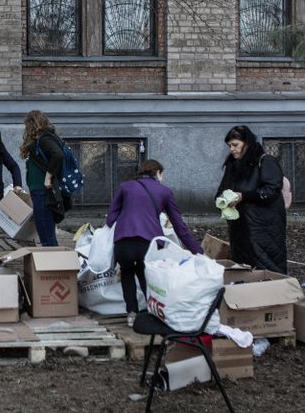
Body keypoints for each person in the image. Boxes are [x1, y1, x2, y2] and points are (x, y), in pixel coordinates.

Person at [105, 159, 203, 327]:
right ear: (158, 173)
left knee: (127, 272)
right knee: (147, 274)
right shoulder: (164, 191)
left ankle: (132, 314)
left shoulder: (125, 187)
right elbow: (179, 226)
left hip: (123, 241)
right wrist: (198, 251)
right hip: (148, 243)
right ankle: (153, 313)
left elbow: (110, 218)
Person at [216, 125, 288, 274]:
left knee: (268, 267)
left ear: (247, 143)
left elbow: (271, 190)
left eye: (235, 145)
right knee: (244, 267)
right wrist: (222, 200)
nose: (232, 149)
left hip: (264, 227)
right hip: (240, 227)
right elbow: (223, 189)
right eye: (229, 146)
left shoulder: (266, 161)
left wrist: (243, 196)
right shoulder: (233, 165)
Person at [20, 110, 65, 247]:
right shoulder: (43, 139)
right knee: (46, 231)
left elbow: (58, 155)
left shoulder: (44, 139)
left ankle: (52, 265)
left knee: (45, 232)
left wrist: (48, 177)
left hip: (42, 191)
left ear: (32, 125)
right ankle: (52, 262)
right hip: (39, 190)